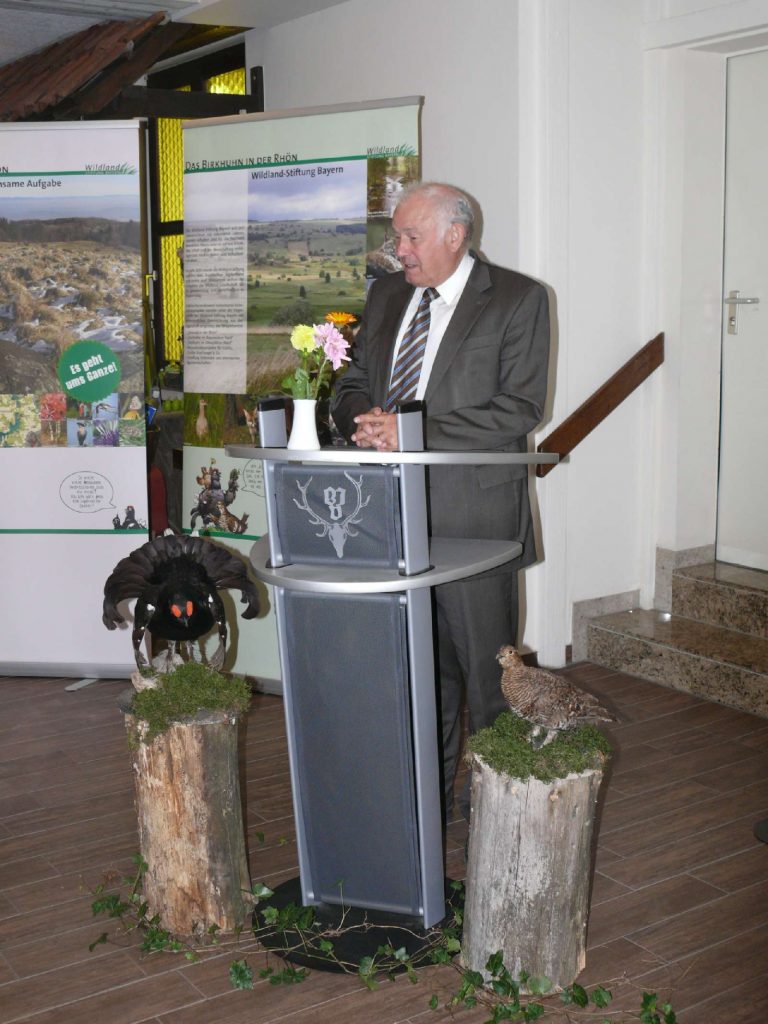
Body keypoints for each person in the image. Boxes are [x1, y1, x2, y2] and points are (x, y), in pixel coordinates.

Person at [331, 181, 550, 818]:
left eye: (410, 236)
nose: (397, 249)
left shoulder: (518, 299)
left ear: (455, 236)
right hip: (389, 512)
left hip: (473, 518)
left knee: (486, 675)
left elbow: (520, 408)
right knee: (419, 673)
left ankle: (502, 814)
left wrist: (411, 431)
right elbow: (352, 381)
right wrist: (362, 421)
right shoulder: (386, 294)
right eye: (396, 236)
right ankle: (428, 805)